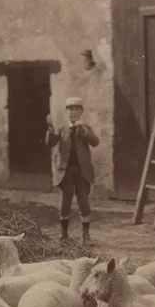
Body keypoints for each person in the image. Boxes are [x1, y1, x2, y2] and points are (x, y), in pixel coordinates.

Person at [46, 96, 99, 246]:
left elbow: (95, 142)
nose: (74, 113)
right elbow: (51, 142)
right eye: (71, 110)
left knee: (83, 202)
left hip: (82, 172)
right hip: (66, 171)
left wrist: (85, 132)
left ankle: (86, 235)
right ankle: (63, 235)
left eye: (77, 110)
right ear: (66, 112)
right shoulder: (62, 129)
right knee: (65, 202)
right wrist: (50, 129)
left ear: (81, 112)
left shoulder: (85, 128)